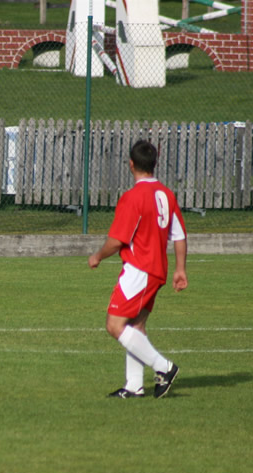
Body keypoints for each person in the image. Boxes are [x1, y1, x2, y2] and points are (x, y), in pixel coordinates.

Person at [88, 140, 188, 399]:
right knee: (136, 326)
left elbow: (117, 240)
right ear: (154, 164)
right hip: (157, 271)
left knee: (114, 325)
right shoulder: (166, 195)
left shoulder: (133, 197)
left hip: (139, 270)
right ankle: (133, 386)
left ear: (130, 164)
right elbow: (178, 235)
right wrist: (180, 269)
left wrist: (98, 256)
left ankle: (164, 367)